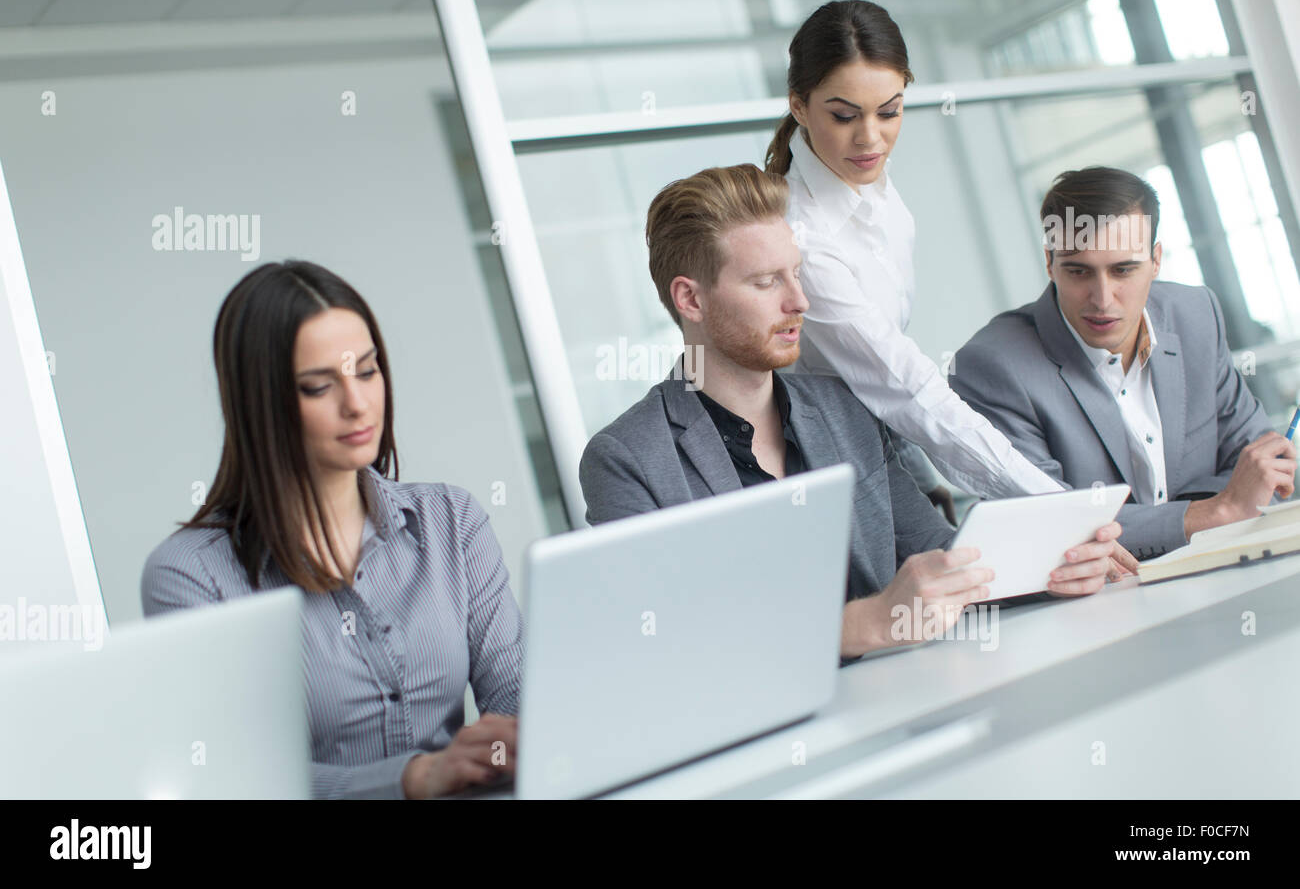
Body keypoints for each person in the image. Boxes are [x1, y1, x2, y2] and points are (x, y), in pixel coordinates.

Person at [579, 164, 1133, 658]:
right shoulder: (626, 460)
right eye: (766, 281)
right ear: (690, 299)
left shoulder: (844, 410)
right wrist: (865, 624)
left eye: (795, 272)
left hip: (896, 709)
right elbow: (662, 645)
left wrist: (1046, 570)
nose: (799, 300)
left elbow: (936, 555)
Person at [141, 261, 523, 799]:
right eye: (320, 387)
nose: (358, 404)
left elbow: (515, 692)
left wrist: (513, 744)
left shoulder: (451, 520)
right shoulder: (190, 577)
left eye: (367, 372)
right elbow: (233, 779)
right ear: (262, 405)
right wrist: (415, 778)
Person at [764, 0, 1062, 504]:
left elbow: (882, 373)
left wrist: (921, 476)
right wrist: (1048, 496)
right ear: (799, 106)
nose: (870, 138)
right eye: (843, 116)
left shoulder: (876, 191)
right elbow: (903, 383)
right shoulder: (804, 241)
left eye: (890, 111)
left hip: (885, 447)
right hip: (826, 473)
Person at [950, 166, 1295, 560]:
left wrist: (1226, 501)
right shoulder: (993, 367)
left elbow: (1262, 470)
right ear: (1050, 263)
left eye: (1123, 270)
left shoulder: (1195, 314)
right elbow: (1047, 528)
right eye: (1079, 271)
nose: (1102, 299)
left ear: (1156, 260)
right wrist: (1218, 509)